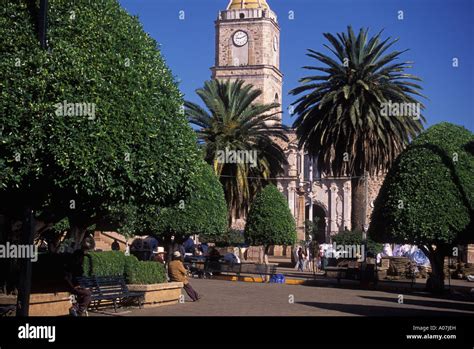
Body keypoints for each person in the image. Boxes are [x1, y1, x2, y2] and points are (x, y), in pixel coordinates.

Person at [64, 249, 92, 316]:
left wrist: (82, 286)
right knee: (88, 294)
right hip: (72, 288)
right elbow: (67, 278)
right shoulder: (71, 265)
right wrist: (74, 287)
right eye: (81, 257)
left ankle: (76, 308)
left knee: (88, 293)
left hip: (78, 287)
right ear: (78, 257)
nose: (82, 259)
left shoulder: (78, 266)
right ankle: (79, 311)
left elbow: (80, 278)